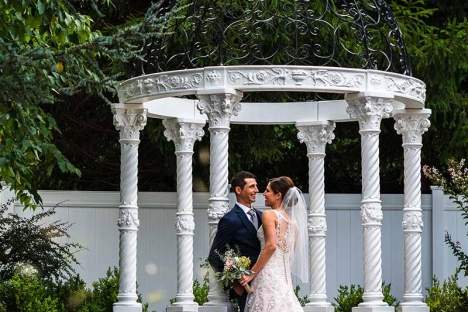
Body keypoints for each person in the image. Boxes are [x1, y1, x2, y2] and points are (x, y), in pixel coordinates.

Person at [239, 176, 308, 312]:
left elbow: (271, 246)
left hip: (267, 275)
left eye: (267, 191)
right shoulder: (293, 223)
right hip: (284, 279)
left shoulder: (269, 214)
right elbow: (290, 255)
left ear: (278, 195)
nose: (263, 194)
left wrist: (251, 274)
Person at [208, 171, 262, 312]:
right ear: (238, 190)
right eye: (252, 186)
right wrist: (234, 284)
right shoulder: (230, 220)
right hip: (244, 289)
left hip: (265, 283)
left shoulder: (262, 216)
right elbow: (215, 255)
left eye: (256, 186)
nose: (256, 190)